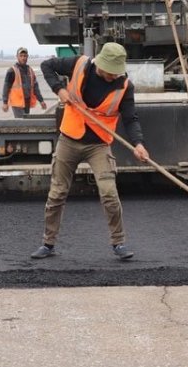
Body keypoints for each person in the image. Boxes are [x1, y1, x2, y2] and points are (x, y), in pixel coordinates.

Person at [30, 43, 150, 261]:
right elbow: (47, 65)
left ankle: (118, 243)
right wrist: (60, 89)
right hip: (69, 139)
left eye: (117, 72)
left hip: (99, 145)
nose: (114, 76)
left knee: (109, 193)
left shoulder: (124, 86)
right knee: (57, 193)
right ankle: (48, 243)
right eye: (110, 72)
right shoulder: (79, 64)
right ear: (100, 65)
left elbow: (131, 119)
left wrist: (138, 144)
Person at [2, 47, 47, 117]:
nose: (23, 58)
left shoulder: (30, 70)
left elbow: (35, 87)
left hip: (27, 101)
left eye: (25, 56)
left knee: (25, 122)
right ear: (17, 57)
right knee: (20, 123)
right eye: (21, 56)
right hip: (17, 103)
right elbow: (6, 87)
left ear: (27, 57)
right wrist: (5, 102)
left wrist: (41, 101)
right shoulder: (12, 70)